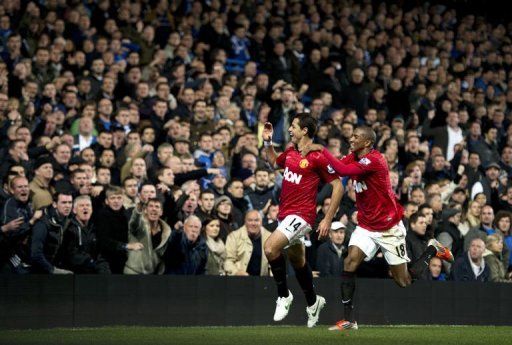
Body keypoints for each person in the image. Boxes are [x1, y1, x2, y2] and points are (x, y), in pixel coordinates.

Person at [301, 126, 454, 331]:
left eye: (356, 136)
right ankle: (349, 320)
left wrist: (322, 149)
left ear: (367, 143)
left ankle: (432, 249)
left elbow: (344, 170)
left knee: (404, 281)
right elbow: (334, 169)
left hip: (388, 227)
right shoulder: (354, 155)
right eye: (352, 135)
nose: (351, 138)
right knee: (350, 261)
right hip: (366, 225)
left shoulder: (376, 160)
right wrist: (309, 162)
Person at [262, 113, 343, 328]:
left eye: (294, 127)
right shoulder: (290, 152)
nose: (290, 130)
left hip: (302, 215)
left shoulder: (318, 157)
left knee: (270, 248)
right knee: (298, 262)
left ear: (305, 130)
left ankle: (283, 295)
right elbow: (273, 162)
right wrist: (267, 141)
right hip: (285, 216)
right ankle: (313, 302)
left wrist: (327, 218)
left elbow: (338, 186)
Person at [124, 198, 171, 274]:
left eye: (157, 207)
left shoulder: (166, 231)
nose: (154, 209)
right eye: (151, 206)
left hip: (151, 276)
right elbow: (134, 223)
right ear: (145, 210)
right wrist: (138, 210)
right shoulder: (139, 226)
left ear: (161, 212)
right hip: (132, 272)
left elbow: (162, 256)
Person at [224, 210, 271, 276]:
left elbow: (273, 263)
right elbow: (228, 261)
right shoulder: (234, 236)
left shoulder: (269, 237)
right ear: (245, 222)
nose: (253, 223)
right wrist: (236, 272)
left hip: (262, 282)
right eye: (250, 220)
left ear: (261, 222)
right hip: (239, 280)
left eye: (256, 220)